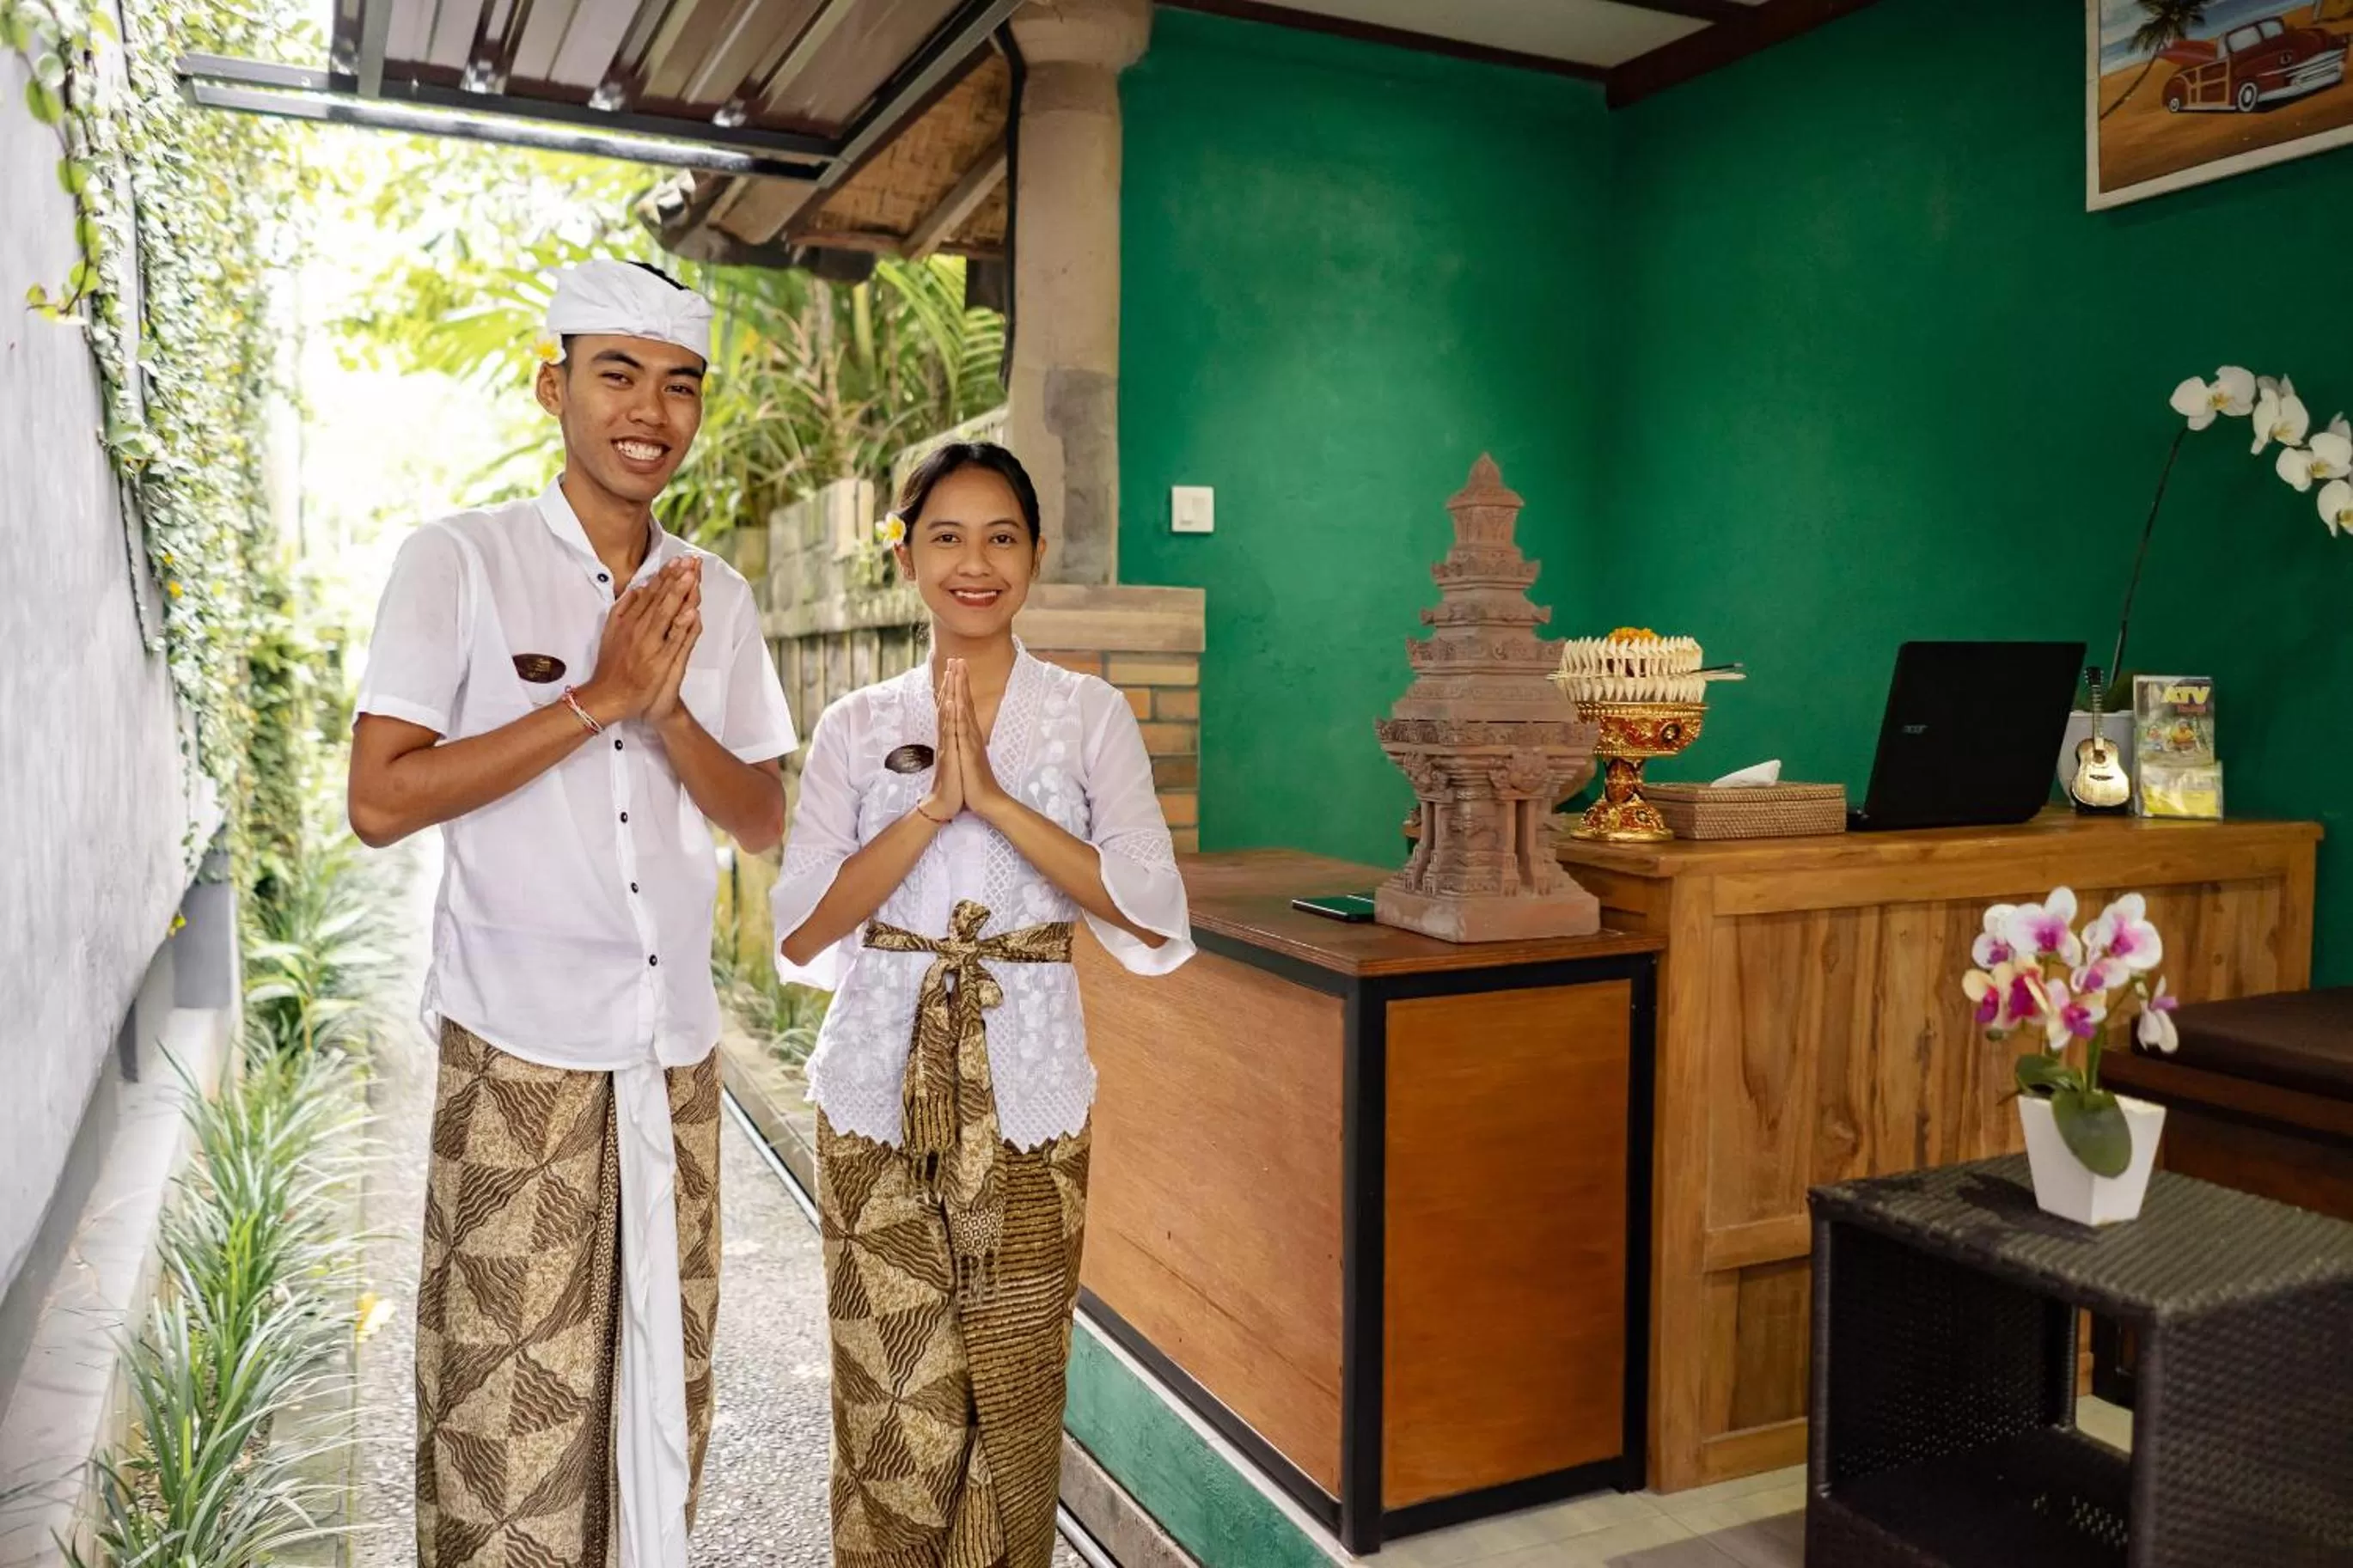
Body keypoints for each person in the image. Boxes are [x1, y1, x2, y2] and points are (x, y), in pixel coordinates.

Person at [345, 259, 798, 1568]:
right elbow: (381, 800)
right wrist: (597, 699)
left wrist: (667, 711)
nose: (648, 409)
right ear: (554, 387)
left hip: (673, 1046)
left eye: (679, 384)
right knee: (507, 1425)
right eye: (616, 373)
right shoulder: (460, 562)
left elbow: (759, 817)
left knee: (660, 1400)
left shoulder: (719, 595)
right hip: (517, 1049)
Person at [770, 442, 1195, 1567]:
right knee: (890, 1404)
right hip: (873, 1094)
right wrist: (921, 816)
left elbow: (1150, 914)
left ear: (1036, 555)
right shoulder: (855, 725)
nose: (975, 561)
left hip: (1033, 1098)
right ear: (904, 554)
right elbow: (804, 930)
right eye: (946, 536)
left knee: (1011, 1397)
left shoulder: (1088, 714)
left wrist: (996, 804)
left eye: (1001, 536)